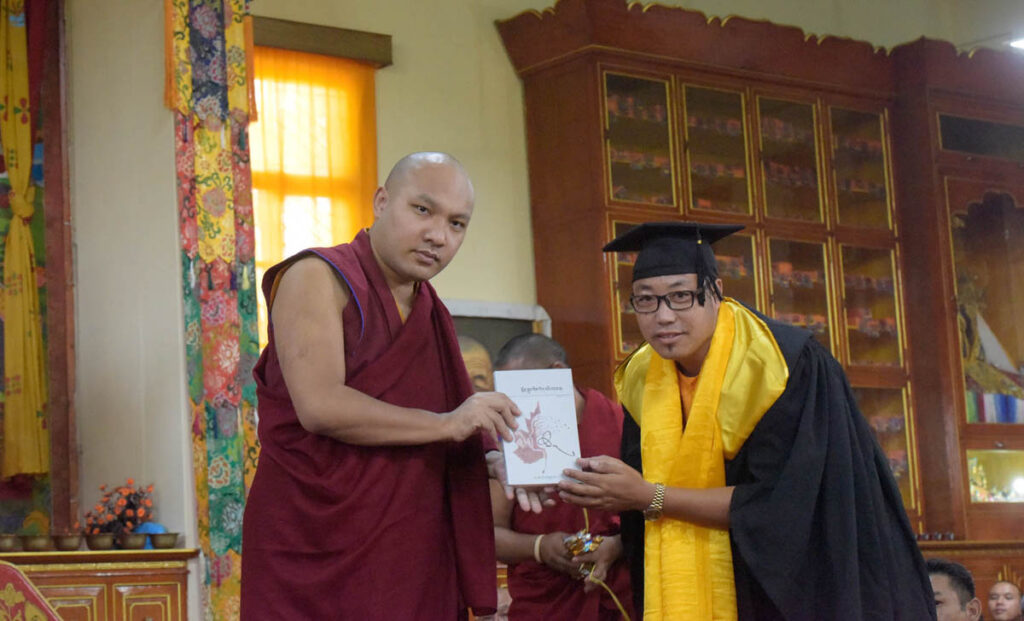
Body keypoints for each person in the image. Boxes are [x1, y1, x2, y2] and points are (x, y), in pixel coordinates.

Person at [556, 221, 936, 619]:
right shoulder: (641, 376)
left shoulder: (780, 364)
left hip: (787, 581)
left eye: (681, 296)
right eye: (645, 301)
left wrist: (649, 497)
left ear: (716, 293)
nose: (663, 316)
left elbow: (782, 503)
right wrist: (621, 540)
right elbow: (647, 489)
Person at [240, 152, 520, 619]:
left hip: (410, 548)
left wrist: (492, 457)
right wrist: (449, 424)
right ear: (381, 200)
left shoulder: (429, 310)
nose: (438, 235)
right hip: (312, 542)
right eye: (423, 210)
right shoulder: (316, 277)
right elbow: (321, 406)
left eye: (457, 224)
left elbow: (447, 413)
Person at [489, 334, 635, 620]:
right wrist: (540, 547)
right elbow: (489, 535)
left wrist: (616, 546)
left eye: (521, 390)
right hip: (545, 603)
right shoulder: (505, 438)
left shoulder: (622, 423)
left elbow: (656, 509)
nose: (514, 406)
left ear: (557, 374)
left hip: (620, 595)